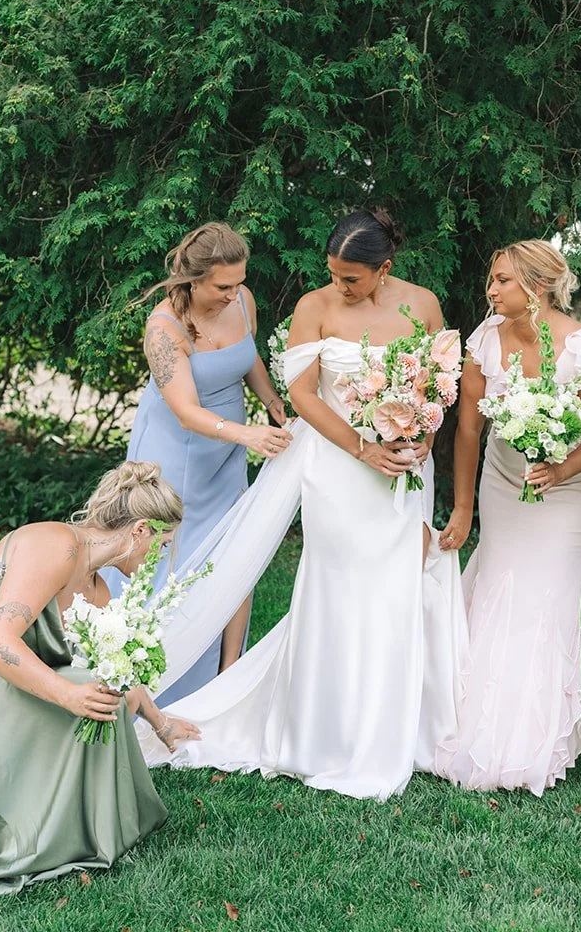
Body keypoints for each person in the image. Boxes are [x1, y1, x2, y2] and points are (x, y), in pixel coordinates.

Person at [137, 207, 466, 800]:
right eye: (333, 273)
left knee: (397, 583)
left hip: (405, 465)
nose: (338, 284)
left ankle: (392, 726)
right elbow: (302, 392)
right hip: (339, 465)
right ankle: (324, 732)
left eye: (351, 278)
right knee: (339, 586)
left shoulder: (424, 305)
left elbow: (439, 384)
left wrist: (420, 438)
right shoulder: (314, 308)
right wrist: (363, 448)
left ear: (383, 269)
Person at [0, 462, 198, 898]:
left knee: (104, 690)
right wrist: (69, 695)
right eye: (162, 544)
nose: (160, 557)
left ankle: (72, 821)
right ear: (141, 531)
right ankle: (22, 823)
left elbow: (116, 672)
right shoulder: (55, 544)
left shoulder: (98, 591)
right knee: (80, 683)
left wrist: (161, 724)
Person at [435, 241, 581, 794]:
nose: (490, 291)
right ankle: (471, 724)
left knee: (545, 596)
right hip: (502, 479)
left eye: (501, 282)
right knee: (496, 582)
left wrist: (561, 471)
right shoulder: (486, 340)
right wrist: (464, 507)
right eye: (491, 281)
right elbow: (468, 429)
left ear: (536, 287)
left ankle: (532, 741)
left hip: (570, 487)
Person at [115, 221, 290, 703]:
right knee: (166, 560)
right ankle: (144, 680)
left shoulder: (243, 300)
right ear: (192, 280)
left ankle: (222, 677)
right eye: (222, 286)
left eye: (238, 283)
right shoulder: (163, 327)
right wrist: (250, 434)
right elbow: (187, 413)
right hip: (176, 450)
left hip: (229, 447)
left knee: (232, 553)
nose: (233, 295)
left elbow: (246, 356)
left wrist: (272, 403)